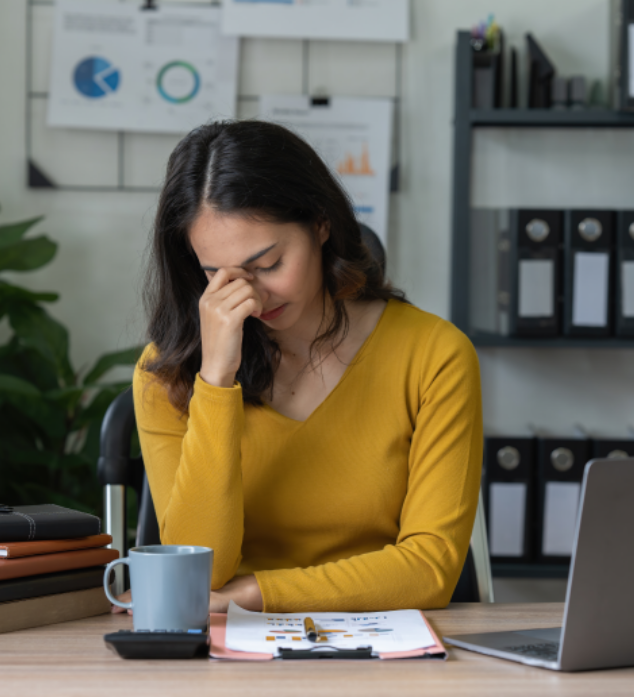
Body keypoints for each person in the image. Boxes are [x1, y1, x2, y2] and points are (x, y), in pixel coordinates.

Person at [119, 120, 482, 615]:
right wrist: (216, 378)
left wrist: (255, 594)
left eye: (268, 264)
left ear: (321, 225)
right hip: (227, 658)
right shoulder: (168, 372)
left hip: (382, 645)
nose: (249, 294)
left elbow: (430, 569)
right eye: (217, 275)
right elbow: (200, 568)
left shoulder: (434, 355)